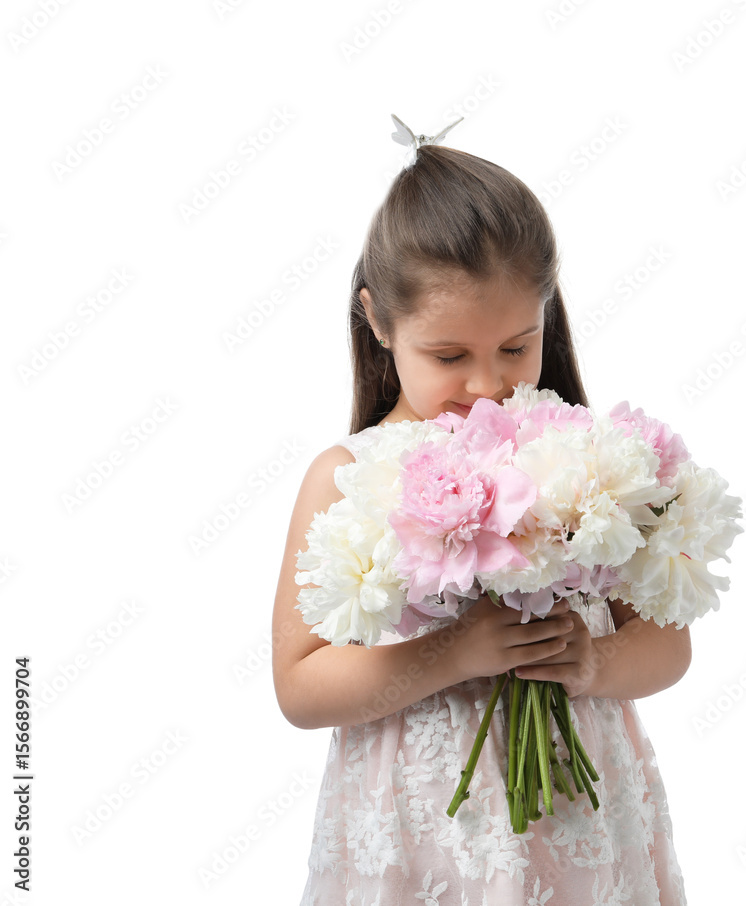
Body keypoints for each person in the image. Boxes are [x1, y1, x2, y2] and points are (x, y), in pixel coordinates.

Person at [271, 115, 691, 906]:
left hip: (575, 810)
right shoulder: (345, 477)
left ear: (546, 318)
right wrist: (453, 653)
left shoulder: (586, 458)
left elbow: (669, 645)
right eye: (449, 355)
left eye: (516, 347)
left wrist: (593, 663)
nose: (488, 384)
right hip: (423, 825)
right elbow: (300, 686)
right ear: (379, 321)